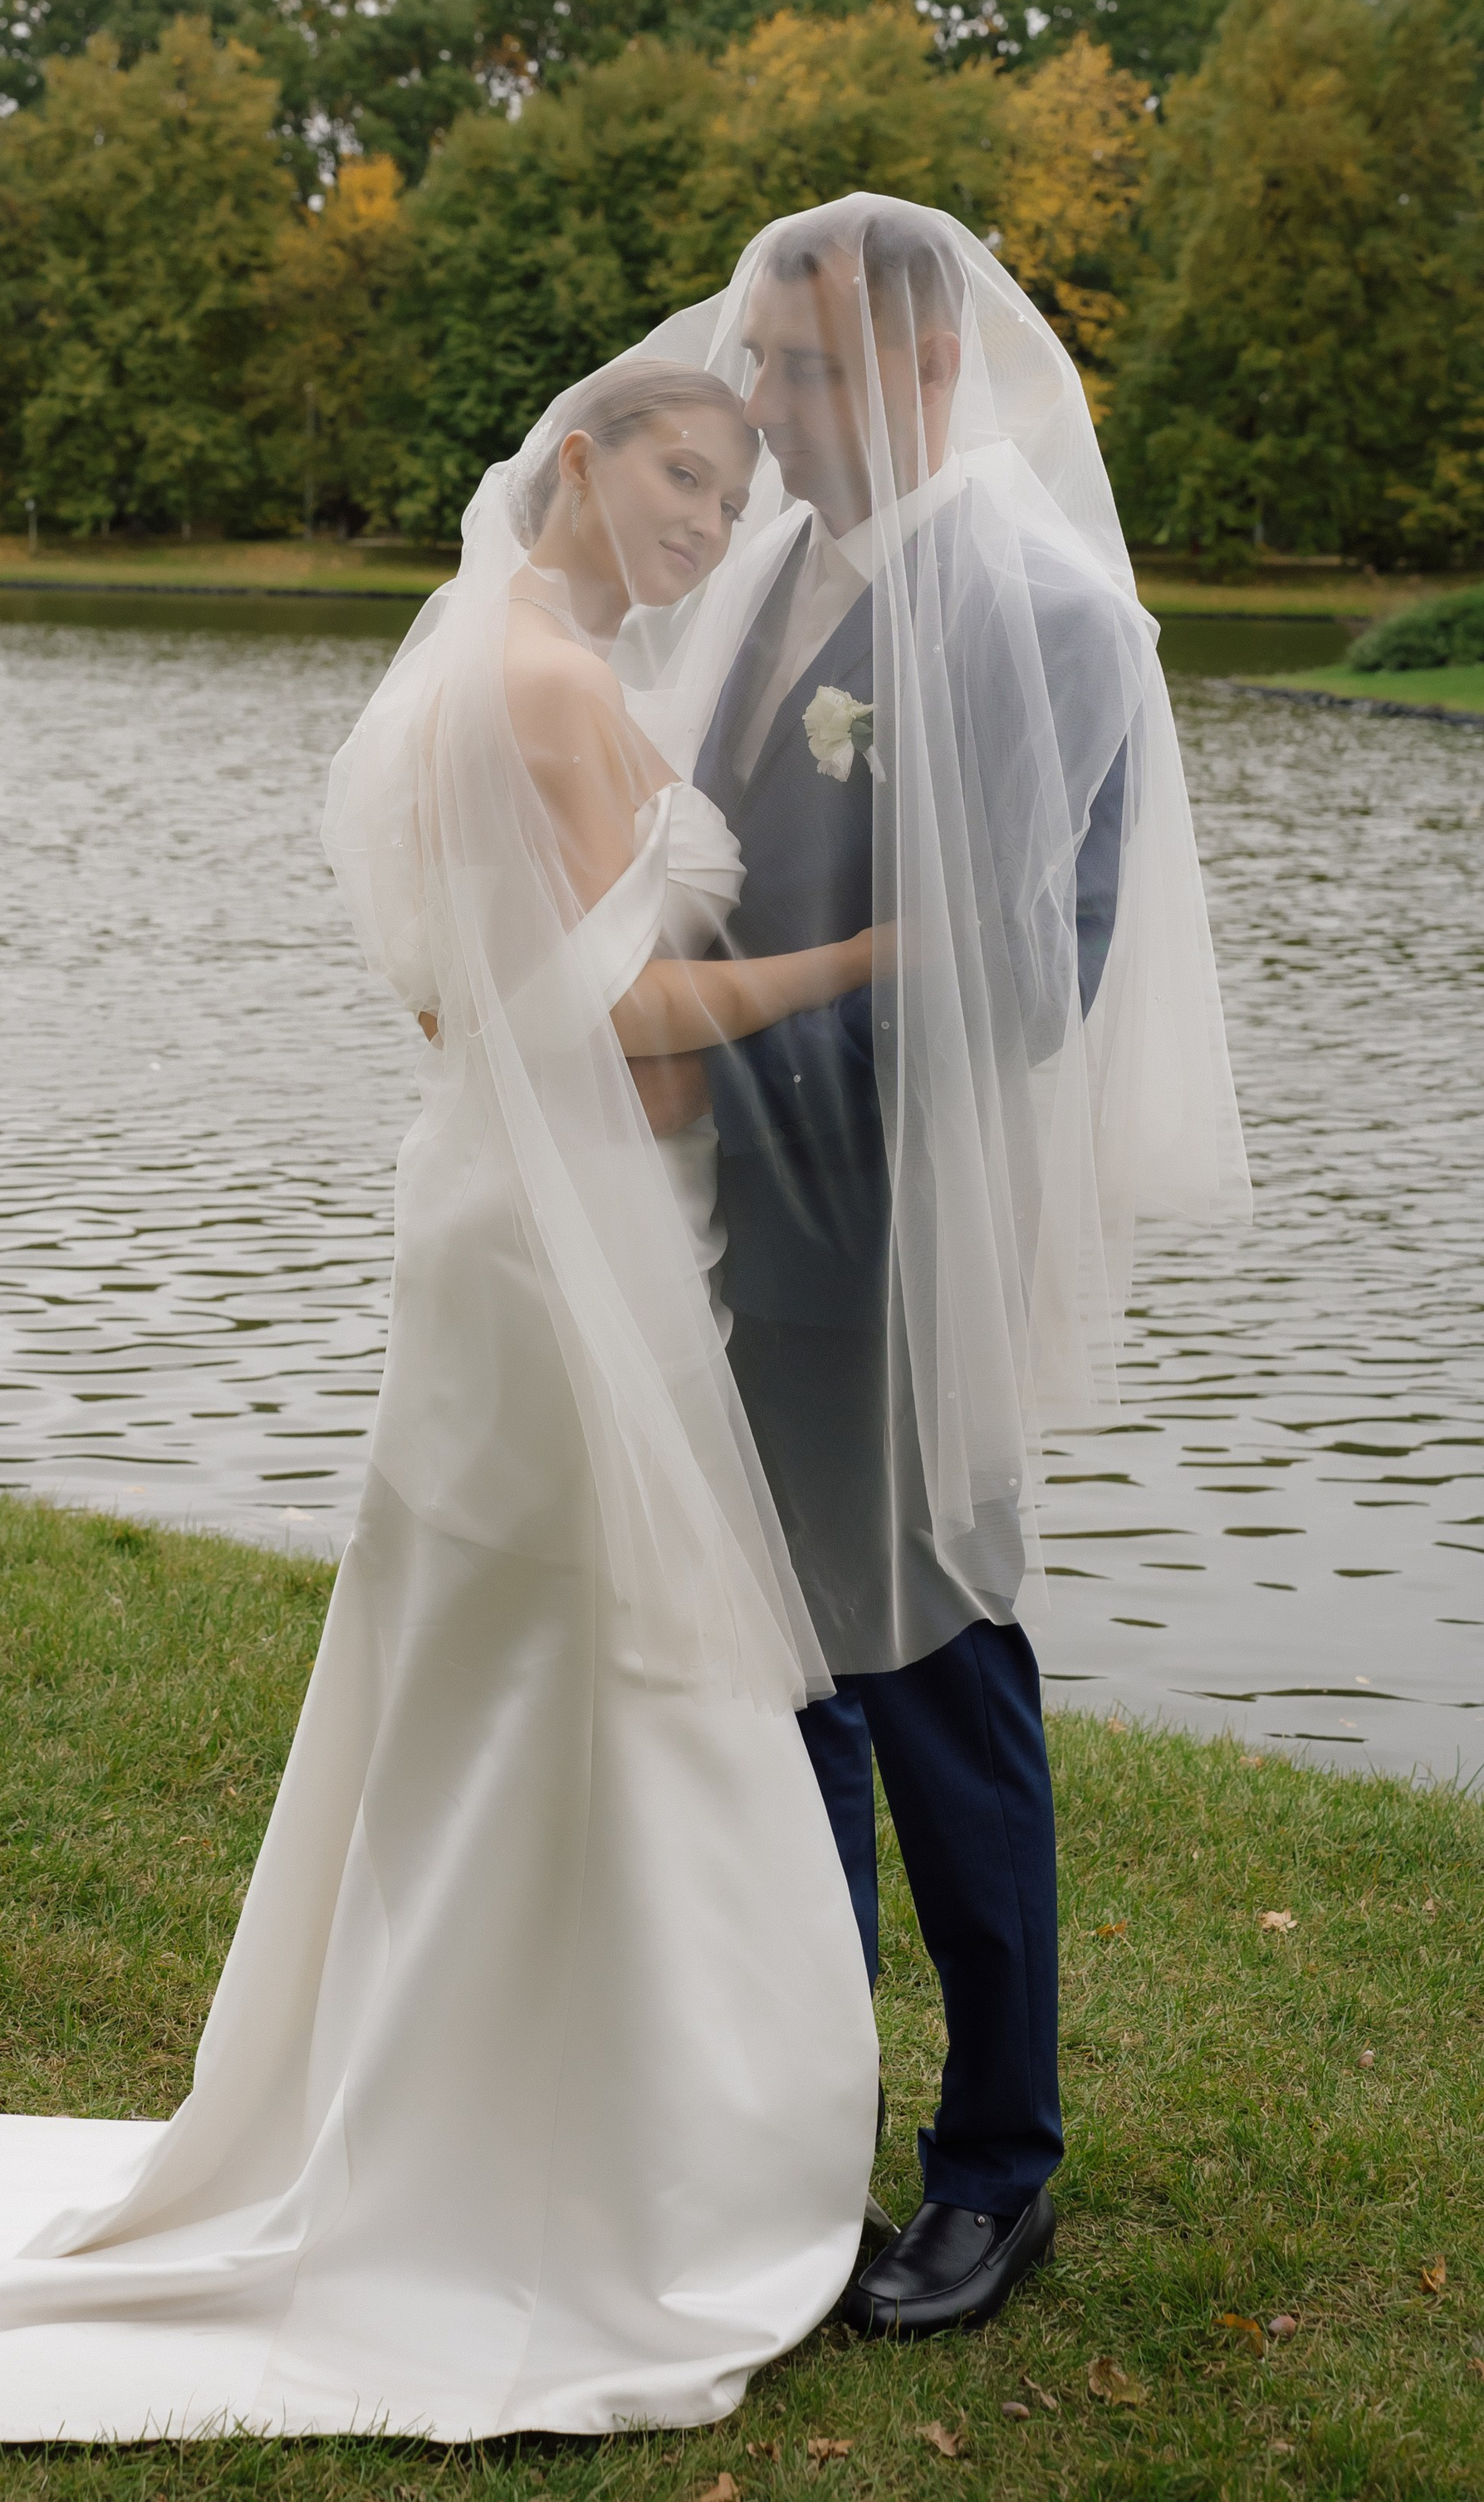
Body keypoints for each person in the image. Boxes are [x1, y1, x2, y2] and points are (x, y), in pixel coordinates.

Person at [0, 359, 887, 2444]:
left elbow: (461, 983)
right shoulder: (546, 687)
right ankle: (575, 2159)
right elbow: (623, 1013)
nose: (707, 517)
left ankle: (515, 2103)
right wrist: (865, 958)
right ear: (582, 460)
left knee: (513, 1667)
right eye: (681, 473)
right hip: (567, 1229)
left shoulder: (498, 662)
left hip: (519, 1210)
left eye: (734, 489)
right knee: (572, 1660)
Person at [625, 194, 1248, 2338]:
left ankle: (999, 2164)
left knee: (936, 1688)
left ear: (924, 365)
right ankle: (794, 2119)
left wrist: (710, 1071)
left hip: (903, 1248)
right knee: (765, 1685)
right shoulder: (780, 570)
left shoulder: (1042, 608)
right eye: (760, 366)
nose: (767, 408)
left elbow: (1027, 977)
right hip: (717, 1237)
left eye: (803, 371)